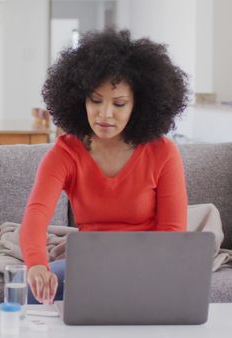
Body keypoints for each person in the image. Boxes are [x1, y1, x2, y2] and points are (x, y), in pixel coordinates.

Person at [20, 28, 190, 304]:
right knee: (29, 293)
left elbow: (172, 232)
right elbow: (37, 213)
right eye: (95, 100)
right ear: (80, 99)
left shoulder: (162, 152)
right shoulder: (65, 153)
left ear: (139, 105)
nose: (105, 114)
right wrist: (38, 265)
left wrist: (150, 275)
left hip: (150, 268)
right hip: (90, 268)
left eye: (119, 103)